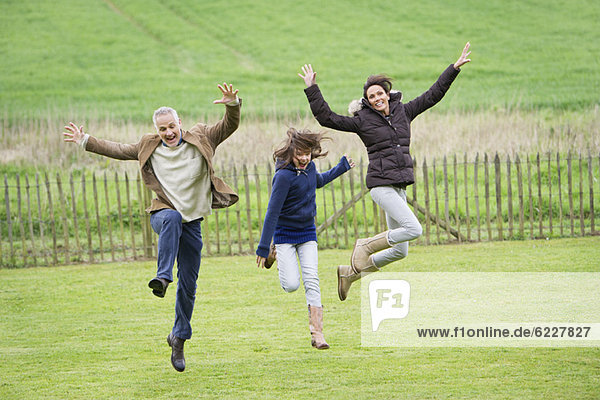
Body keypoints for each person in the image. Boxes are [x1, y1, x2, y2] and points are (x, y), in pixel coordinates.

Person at [63, 83, 241, 372]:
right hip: (163, 214)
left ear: (179, 122)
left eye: (171, 126)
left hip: (192, 223)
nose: (168, 133)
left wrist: (233, 104)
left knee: (190, 286)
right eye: (162, 129)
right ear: (156, 130)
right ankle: (162, 277)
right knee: (170, 218)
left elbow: (229, 126)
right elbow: (119, 149)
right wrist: (86, 141)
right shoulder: (149, 145)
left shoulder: (203, 137)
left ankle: (178, 338)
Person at [299, 43, 472, 301]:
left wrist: (454, 68)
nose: (377, 98)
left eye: (379, 93)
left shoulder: (405, 111)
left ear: (387, 93)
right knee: (414, 229)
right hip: (381, 186)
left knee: (400, 251)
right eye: (371, 97)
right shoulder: (362, 122)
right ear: (367, 102)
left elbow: (433, 95)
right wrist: (312, 88)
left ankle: (350, 273)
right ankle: (365, 246)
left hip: (399, 185)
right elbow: (328, 119)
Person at [256, 128, 354, 349]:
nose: (303, 158)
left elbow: (317, 181)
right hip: (284, 236)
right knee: (291, 285)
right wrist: (263, 247)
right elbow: (272, 212)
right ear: (291, 152)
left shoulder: (309, 168)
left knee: (312, 279)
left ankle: (317, 334)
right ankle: (274, 253)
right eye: (299, 153)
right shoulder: (282, 177)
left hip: (307, 233)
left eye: (307, 153)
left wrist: (341, 168)